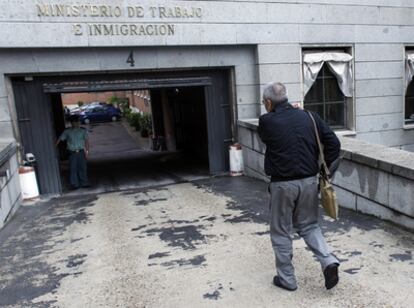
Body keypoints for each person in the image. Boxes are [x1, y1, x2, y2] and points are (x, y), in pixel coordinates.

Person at [258, 82, 341, 291]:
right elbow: (334, 144)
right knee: (309, 225)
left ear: (268, 102)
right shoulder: (310, 117)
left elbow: (270, 136)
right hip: (309, 181)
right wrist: (324, 170)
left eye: (264, 102)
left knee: (281, 231)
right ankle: (328, 260)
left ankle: (287, 279)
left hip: (282, 185)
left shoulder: (266, 121)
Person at [56, 114, 90, 190]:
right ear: (71, 123)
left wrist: (87, 152)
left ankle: (84, 183)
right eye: (74, 122)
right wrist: (54, 146)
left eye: (77, 121)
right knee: (73, 169)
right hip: (72, 153)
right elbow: (60, 139)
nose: (76, 123)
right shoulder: (67, 132)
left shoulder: (83, 131)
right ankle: (74, 184)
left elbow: (87, 142)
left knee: (83, 168)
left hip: (81, 152)